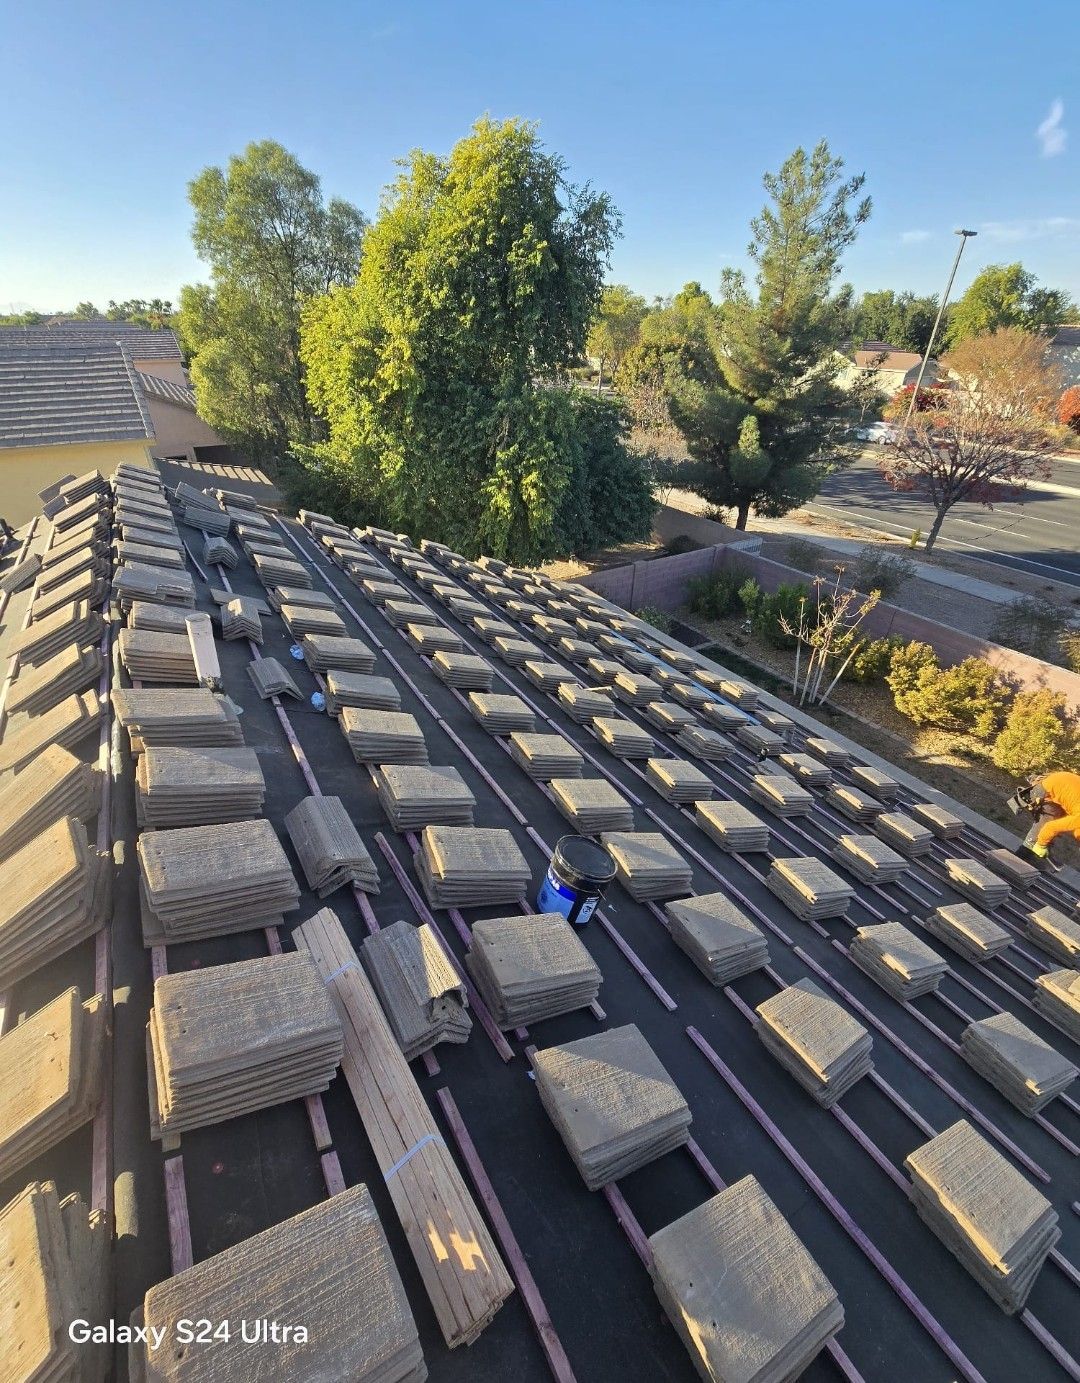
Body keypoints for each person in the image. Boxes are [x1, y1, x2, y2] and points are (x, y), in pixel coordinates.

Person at [1018, 770, 1080, 866]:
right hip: (1045, 791)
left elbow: (1077, 829)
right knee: (1045, 825)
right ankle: (1020, 858)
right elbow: (1050, 827)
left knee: (1061, 822)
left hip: (1060, 784)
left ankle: (1036, 852)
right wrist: (1041, 845)